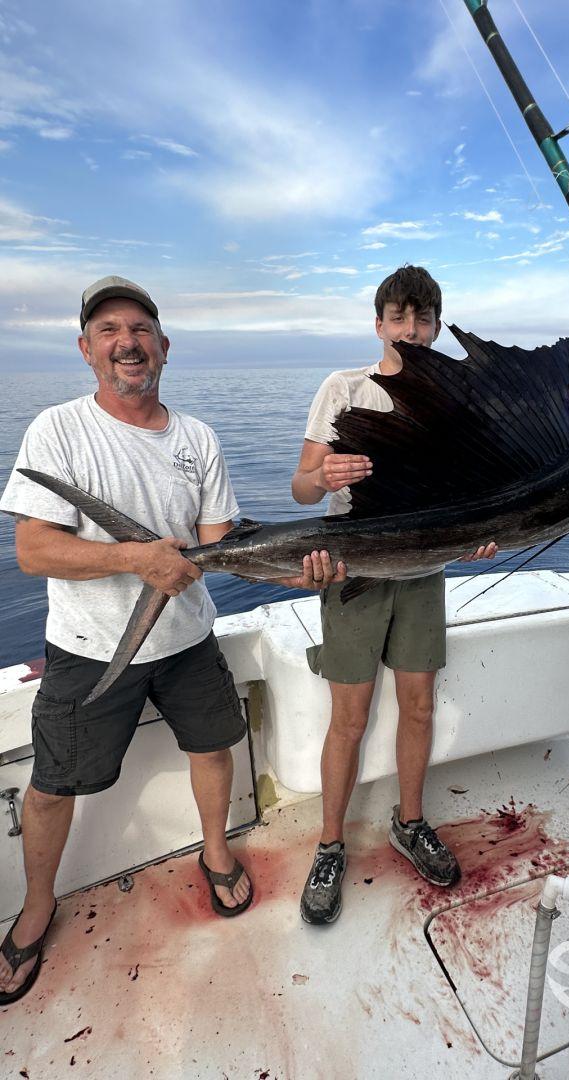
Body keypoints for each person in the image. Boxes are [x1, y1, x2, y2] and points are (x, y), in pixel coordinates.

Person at [0, 275, 345, 1004]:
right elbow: (33, 551)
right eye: (109, 331)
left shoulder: (199, 438)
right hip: (88, 648)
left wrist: (298, 574)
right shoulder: (57, 431)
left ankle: (215, 850)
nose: (127, 342)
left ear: (164, 346)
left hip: (188, 640)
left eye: (140, 330)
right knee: (54, 785)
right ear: (87, 349)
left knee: (212, 749)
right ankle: (37, 906)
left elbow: (221, 545)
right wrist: (135, 556)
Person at [291, 265, 496, 924]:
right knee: (348, 718)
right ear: (378, 323)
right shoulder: (343, 387)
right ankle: (329, 845)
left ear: (435, 326)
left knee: (417, 708)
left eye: (423, 318)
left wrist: (482, 536)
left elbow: (468, 500)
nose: (411, 330)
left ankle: (410, 823)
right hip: (351, 569)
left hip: (424, 572)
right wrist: (321, 477)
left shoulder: (448, 403)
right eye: (399, 317)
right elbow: (299, 488)